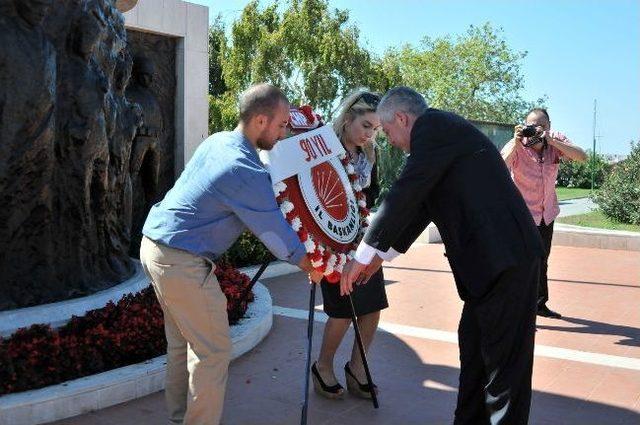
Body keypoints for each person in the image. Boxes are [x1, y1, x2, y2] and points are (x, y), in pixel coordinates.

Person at [340, 87, 544, 424]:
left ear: (403, 119)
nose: (387, 140)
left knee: (504, 375)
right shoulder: (440, 140)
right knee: (475, 360)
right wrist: (379, 256)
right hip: (488, 270)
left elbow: (406, 190)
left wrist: (362, 254)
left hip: (507, 263)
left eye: (387, 131)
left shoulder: (434, 128)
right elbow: (421, 205)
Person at [140, 83, 322, 425]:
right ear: (260, 121)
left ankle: (181, 418)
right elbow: (275, 233)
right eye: (282, 125)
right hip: (181, 261)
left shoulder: (220, 140)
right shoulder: (243, 169)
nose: (284, 133)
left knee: (182, 344)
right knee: (213, 351)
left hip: (156, 247)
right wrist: (309, 263)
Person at [312, 90, 388, 400]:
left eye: (376, 129)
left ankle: (357, 369)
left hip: (362, 242)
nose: (370, 135)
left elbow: (371, 198)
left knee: (372, 309)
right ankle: (323, 366)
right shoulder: (322, 149)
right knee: (343, 311)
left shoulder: (370, 154)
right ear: (347, 119)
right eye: (366, 126)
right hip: (331, 244)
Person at [501, 108, 587, 319]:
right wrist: (515, 142)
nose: (537, 130)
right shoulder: (517, 144)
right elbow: (499, 166)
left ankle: (539, 304)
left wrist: (554, 142)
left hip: (546, 213)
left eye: (542, 126)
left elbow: (582, 157)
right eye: (532, 125)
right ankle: (515, 308)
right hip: (521, 214)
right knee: (519, 262)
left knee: (541, 260)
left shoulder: (555, 142)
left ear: (549, 126)